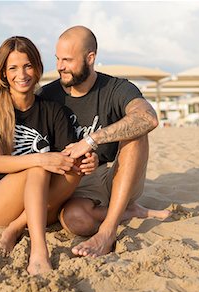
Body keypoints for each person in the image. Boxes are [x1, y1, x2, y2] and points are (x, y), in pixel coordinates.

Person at [37, 25, 171, 258]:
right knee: (74, 221)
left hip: (115, 177)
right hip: (73, 184)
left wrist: (91, 140)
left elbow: (148, 118)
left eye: (67, 60)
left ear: (90, 58)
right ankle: (128, 212)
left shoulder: (117, 88)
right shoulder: (48, 95)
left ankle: (108, 231)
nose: (60, 66)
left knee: (135, 132)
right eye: (57, 59)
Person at [0, 36, 97, 275]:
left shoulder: (53, 111)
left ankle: (17, 227)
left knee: (77, 165)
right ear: (4, 73)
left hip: (39, 204)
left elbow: (68, 158)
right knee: (38, 168)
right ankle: (39, 251)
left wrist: (90, 160)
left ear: (38, 67)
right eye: (13, 68)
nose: (22, 74)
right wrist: (41, 158)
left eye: (28, 65)